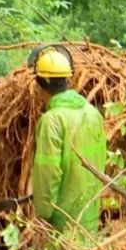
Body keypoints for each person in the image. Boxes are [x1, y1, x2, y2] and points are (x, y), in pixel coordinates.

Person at [31, 49, 107, 234]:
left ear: (41, 84)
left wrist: (44, 213)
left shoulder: (52, 121)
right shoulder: (92, 113)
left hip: (63, 218)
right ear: (67, 80)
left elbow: (47, 172)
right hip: (91, 211)